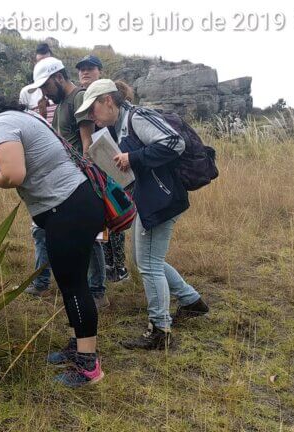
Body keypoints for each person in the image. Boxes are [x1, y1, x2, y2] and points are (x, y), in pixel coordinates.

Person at [0, 95, 105, 388]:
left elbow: (13, 175)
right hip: (74, 204)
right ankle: (77, 346)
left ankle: (88, 366)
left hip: (68, 207)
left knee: (74, 285)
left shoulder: (1, 126)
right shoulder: (17, 117)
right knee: (70, 281)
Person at [75, 79, 210, 350]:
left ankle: (160, 330)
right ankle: (192, 301)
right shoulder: (121, 124)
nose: (92, 116)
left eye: (94, 109)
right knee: (146, 259)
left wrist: (131, 158)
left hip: (160, 200)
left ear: (108, 101)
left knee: (148, 264)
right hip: (150, 199)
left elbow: (174, 142)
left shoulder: (138, 116)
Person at [23, 57, 109, 309]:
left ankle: (97, 290)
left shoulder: (78, 98)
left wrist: (90, 183)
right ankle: (42, 281)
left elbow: (87, 143)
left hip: (80, 181)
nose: (44, 93)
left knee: (90, 235)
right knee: (41, 230)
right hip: (61, 179)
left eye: (46, 86)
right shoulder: (60, 103)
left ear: (59, 78)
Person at [75, 55, 131, 284]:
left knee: (116, 211)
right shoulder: (85, 99)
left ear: (100, 72)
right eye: (81, 69)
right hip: (100, 163)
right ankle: (109, 264)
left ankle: (119, 266)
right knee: (107, 215)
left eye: (90, 69)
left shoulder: (110, 102)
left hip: (116, 162)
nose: (85, 73)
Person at [18, 43, 57, 297]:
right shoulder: (27, 93)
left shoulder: (63, 94)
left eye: (45, 61)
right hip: (37, 165)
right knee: (39, 227)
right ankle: (42, 281)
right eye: (37, 61)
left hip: (60, 163)